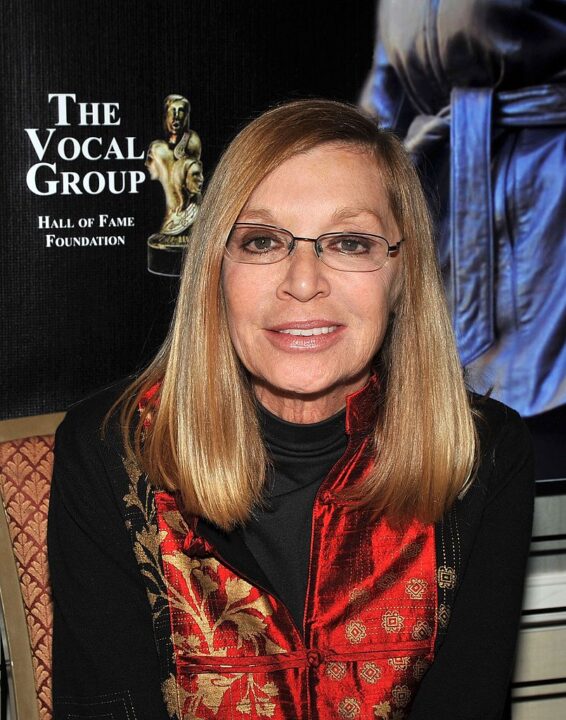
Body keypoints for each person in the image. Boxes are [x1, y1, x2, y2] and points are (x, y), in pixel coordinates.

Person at [48, 100, 534, 720]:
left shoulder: (482, 454)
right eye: (262, 240)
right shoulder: (109, 450)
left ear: (401, 272)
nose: (303, 281)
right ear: (214, 270)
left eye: (350, 241)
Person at [361, 0, 566, 478]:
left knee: (542, 417)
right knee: (451, 421)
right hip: (439, 190)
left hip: (549, 189)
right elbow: (383, 95)